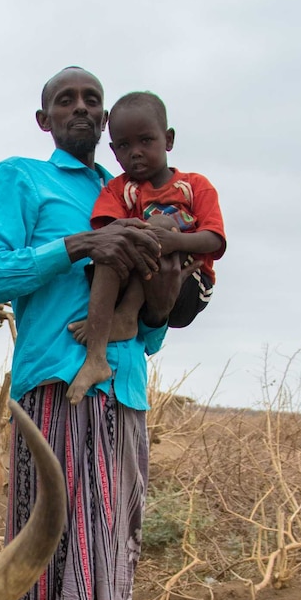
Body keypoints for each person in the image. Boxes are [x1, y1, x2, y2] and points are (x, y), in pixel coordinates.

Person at [0, 66, 188, 600]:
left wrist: (158, 291)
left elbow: (150, 339)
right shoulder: (22, 178)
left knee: (116, 562)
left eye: (93, 99)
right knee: (37, 557)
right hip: (52, 393)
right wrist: (78, 248)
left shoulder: (128, 193)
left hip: (122, 396)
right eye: (68, 99)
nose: (83, 109)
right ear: (43, 118)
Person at [67, 91, 226, 404]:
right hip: (139, 278)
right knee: (110, 247)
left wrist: (173, 240)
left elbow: (215, 240)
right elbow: (109, 232)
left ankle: (126, 317)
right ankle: (96, 357)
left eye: (146, 141)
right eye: (124, 146)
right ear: (112, 150)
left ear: (168, 140)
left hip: (188, 284)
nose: (135, 153)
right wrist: (139, 236)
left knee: (161, 224)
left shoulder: (195, 185)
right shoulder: (118, 190)